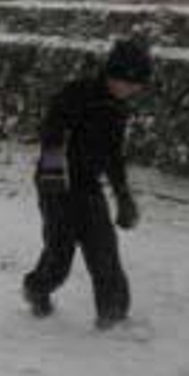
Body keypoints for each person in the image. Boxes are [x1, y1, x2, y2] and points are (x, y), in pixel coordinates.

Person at [22, 37, 153, 329]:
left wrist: (123, 195)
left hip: (88, 186)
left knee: (104, 249)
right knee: (60, 254)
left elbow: (113, 155)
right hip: (56, 183)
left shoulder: (117, 108)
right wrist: (53, 173)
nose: (134, 90)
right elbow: (52, 131)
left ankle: (113, 314)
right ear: (117, 74)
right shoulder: (78, 93)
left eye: (138, 86)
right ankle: (37, 288)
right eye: (132, 83)